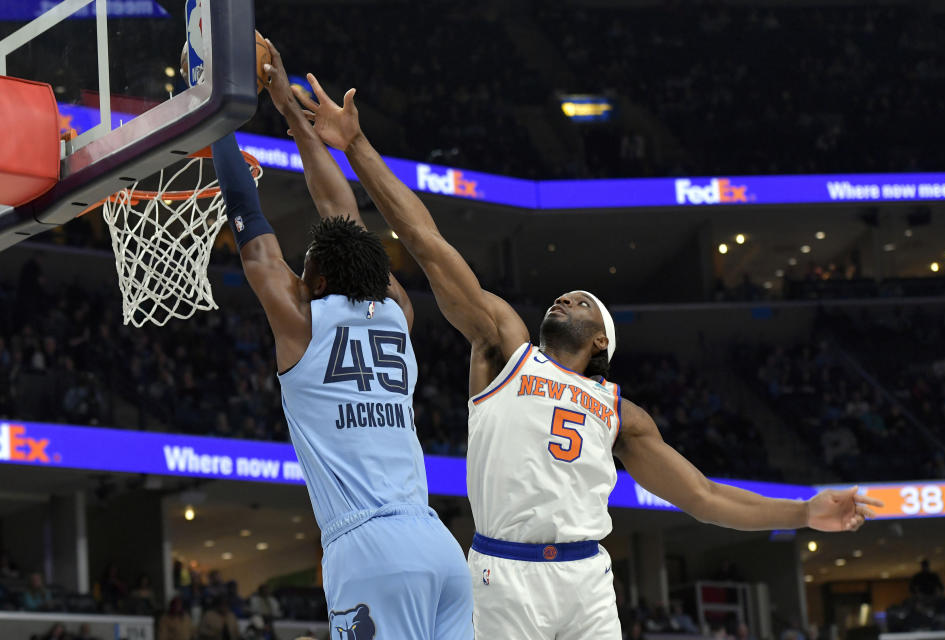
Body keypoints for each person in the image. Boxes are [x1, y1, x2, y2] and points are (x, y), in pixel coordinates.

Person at [293, 72, 886, 640]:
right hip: (505, 572)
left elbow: (705, 497)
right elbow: (425, 242)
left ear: (601, 341)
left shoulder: (620, 413)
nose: (567, 295)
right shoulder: (505, 346)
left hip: (585, 576)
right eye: (564, 294)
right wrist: (358, 146)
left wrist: (804, 512)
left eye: (583, 301)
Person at [202, 39, 472, 638]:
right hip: (439, 546)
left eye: (306, 267)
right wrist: (283, 103)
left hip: (370, 551)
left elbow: (254, 234)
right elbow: (339, 216)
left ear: (317, 279)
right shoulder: (396, 312)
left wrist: (217, 116)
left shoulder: (302, 326)